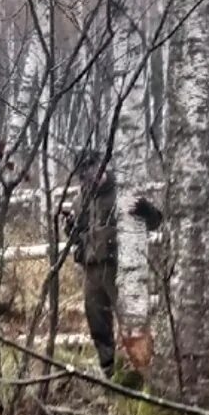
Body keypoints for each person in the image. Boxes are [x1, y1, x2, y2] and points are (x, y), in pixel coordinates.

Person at [64, 150, 162, 375]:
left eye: (93, 167)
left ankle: (143, 370)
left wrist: (145, 210)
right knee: (97, 321)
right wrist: (70, 227)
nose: (91, 175)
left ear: (102, 165)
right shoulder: (80, 201)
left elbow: (155, 221)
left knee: (132, 321)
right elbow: (76, 234)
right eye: (85, 172)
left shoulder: (122, 194)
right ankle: (110, 372)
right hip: (92, 270)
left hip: (121, 269)